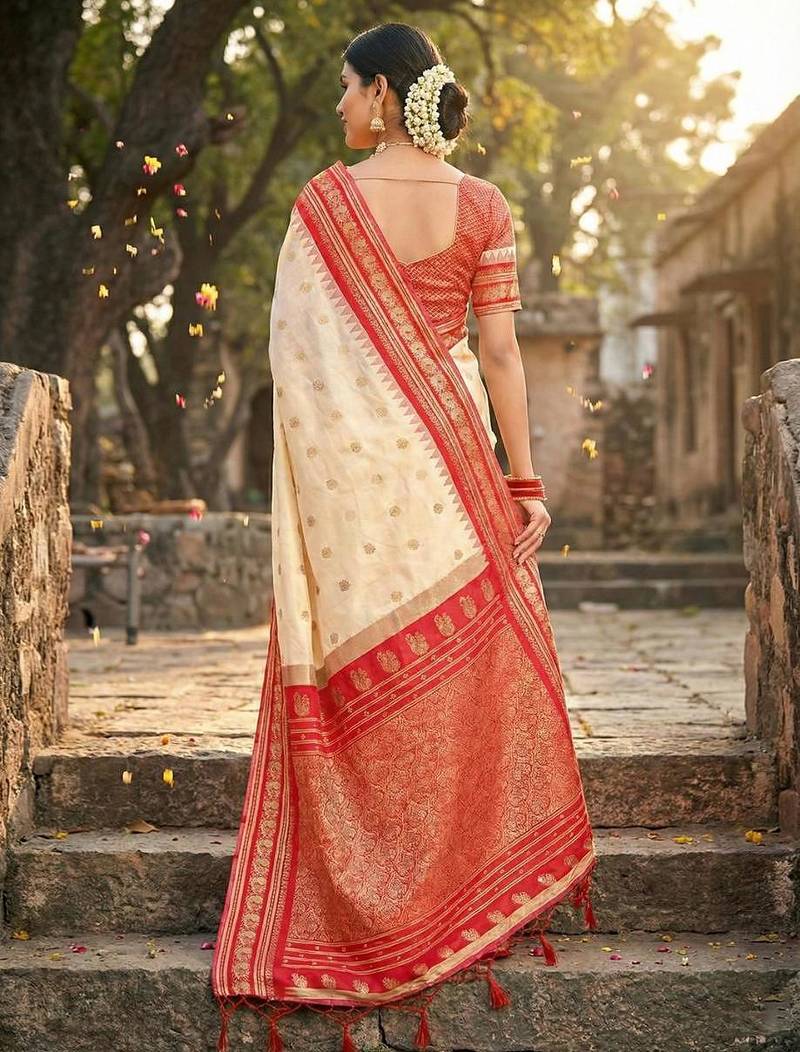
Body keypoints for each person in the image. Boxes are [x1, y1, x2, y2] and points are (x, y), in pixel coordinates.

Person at [211, 22, 598, 1051]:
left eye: (347, 87)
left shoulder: (323, 206)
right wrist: (523, 481)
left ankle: (373, 887)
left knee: (360, 676)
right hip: (453, 471)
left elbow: (298, 364)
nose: (339, 105)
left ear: (383, 93)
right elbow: (500, 354)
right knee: (464, 669)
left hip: (355, 493)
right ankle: (454, 883)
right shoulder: (483, 205)